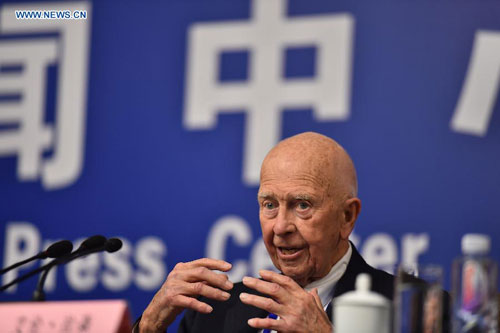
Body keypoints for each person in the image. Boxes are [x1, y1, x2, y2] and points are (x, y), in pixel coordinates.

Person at [137, 132, 394, 332]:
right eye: (269, 205)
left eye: (302, 205)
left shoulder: (411, 310)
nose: (280, 227)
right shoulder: (213, 311)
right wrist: (149, 327)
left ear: (347, 217)